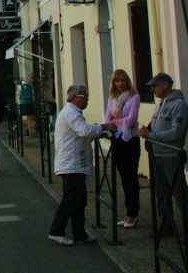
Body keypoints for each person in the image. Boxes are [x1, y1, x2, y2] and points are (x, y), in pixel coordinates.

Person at [48, 84, 117, 245]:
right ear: (75, 97)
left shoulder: (72, 112)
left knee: (79, 199)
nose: (87, 100)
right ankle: (56, 230)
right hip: (71, 164)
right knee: (72, 199)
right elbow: (83, 130)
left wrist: (98, 133)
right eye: (84, 97)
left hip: (74, 163)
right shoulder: (71, 113)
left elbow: (81, 134)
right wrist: (103, 126)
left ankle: (80, 233)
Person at [138, 72, 188, 244]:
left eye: (155, 86)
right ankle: (166, 226)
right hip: (157, 155)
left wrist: (152, 135)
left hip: (171, 155)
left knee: (180, 194)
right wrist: (148, 134)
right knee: (161, 194)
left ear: (165, 85)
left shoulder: (179, 105)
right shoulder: (160, 105)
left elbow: (176, 132)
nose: (153, 90)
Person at [104, 69, 141, 228]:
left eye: (123, 80)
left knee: (131, 175)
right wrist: (116, 122)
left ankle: (133, 213)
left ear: (127, 81)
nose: (120, 84)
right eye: (117, 81)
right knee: (123, 176)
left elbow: (131, 120)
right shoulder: (112, 98)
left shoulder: (134, 97)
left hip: (130, 139)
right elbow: (107, 118)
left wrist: (115, 121)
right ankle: (128, 213)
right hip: (117, 139)